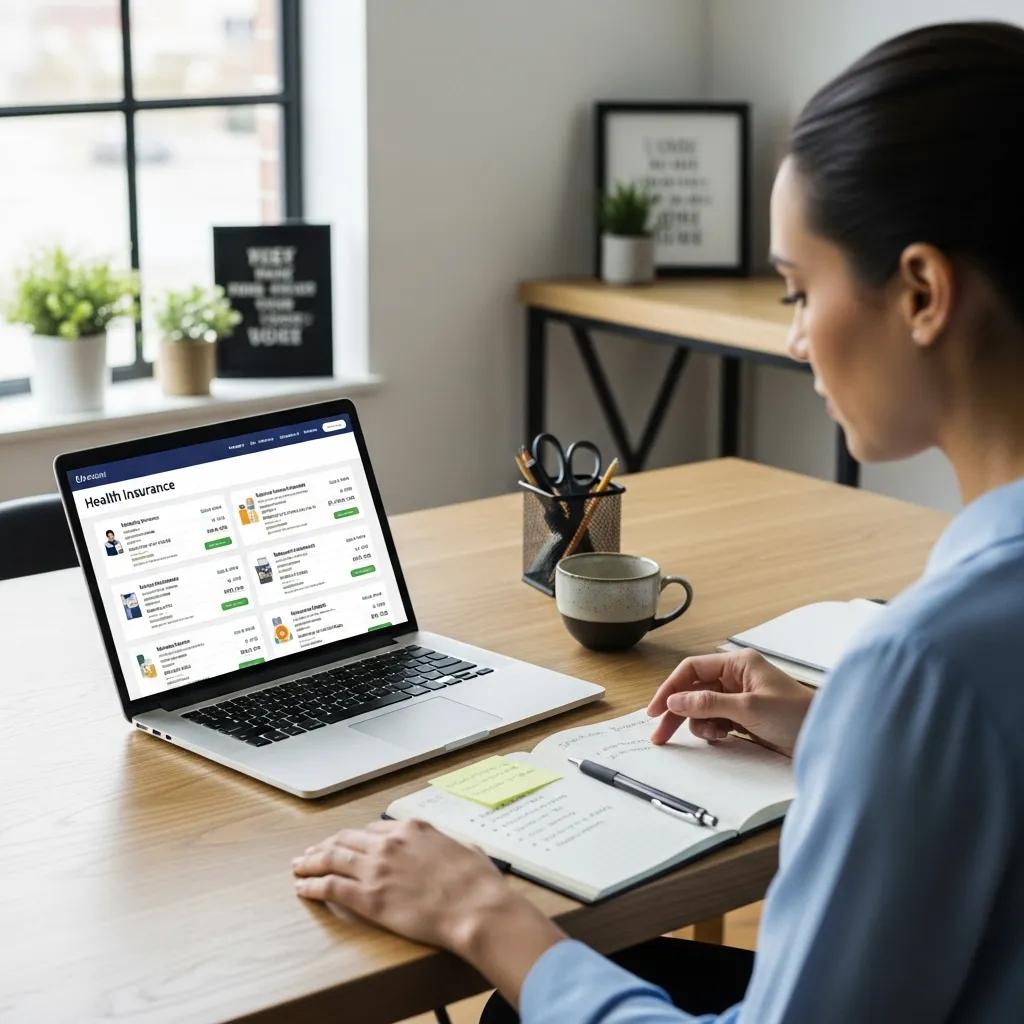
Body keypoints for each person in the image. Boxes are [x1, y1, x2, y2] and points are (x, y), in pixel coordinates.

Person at [290, 21, 1024, 1021]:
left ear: (923, 292)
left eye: (799, 290)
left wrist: (483, 914)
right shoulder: (949, 660)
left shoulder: (924, 662)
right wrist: (844, 735)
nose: (795, 339)